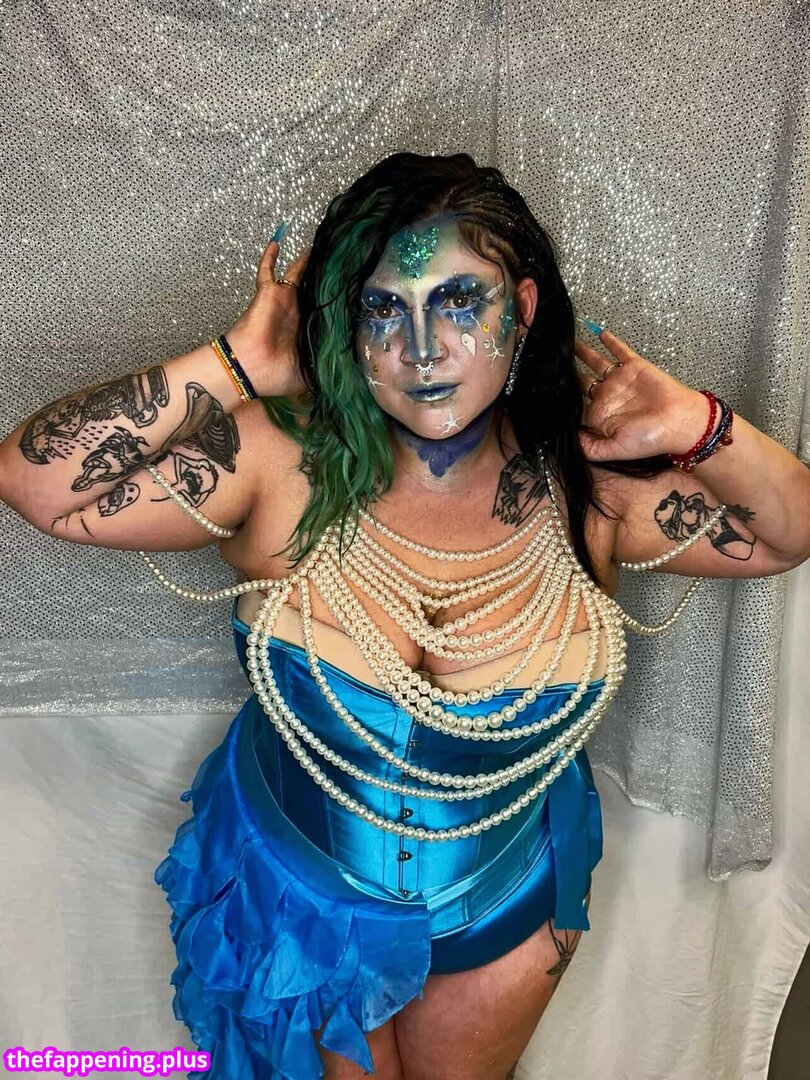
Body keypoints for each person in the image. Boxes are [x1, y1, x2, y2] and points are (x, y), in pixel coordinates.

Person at [1, 151, 808, 1080]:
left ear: (524, 309)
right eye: (384, 309)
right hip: (303, 893)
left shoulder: (590, 484)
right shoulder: (281, 461)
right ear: (346, 325)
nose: (422, 350)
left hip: (507, 897)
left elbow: (789, 531)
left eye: (459, 301)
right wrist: (237, 362)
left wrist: (698, 424)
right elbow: (34, 482)